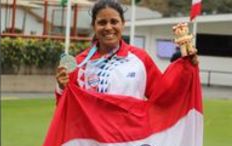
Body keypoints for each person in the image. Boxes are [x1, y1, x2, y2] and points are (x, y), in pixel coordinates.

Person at [55, 0, 198, 100]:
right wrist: (61, 87)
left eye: (114, 22)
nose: (108, 27)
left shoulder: (140, 59)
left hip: (131, 141)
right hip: (92, 142)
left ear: (123, 24)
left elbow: (164, 96)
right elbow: (67, 106)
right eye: (102, 22)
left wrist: (186, 69)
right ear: (94, 26)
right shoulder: (80, 64)